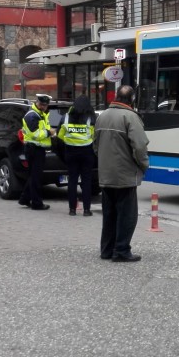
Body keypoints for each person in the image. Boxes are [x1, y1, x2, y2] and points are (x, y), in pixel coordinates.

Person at [94, 84, 149, 262]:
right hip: (125, 175)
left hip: (106, 174)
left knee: (109, 214)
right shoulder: (131, 117)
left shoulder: (102, 116)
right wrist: (144, 165)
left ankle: (106, 250)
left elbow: (95, 145)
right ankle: (121, 250)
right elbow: (139, 147)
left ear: (116, 96)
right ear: (132, 99)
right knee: (127, 215)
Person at [58, 95, 96, 217]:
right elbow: (95, 136)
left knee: (72, 181)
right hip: (86, 153)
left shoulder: (66, 117)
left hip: (71, 152)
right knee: (86, 181)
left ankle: (72, 210)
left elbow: (60, 136)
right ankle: (86, 210)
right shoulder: (91, 118)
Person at [19, 93, 55, 211]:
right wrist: (49, 133)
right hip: (34, 149)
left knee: (33, 176)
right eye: (41, 104)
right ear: (37, 102)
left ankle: (25, 199)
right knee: (36, 177)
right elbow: (35, 134)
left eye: (45, 105)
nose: (43, 106)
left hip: (37, 148)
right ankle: (36, 203)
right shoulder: (32, 116)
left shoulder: (40, 114)